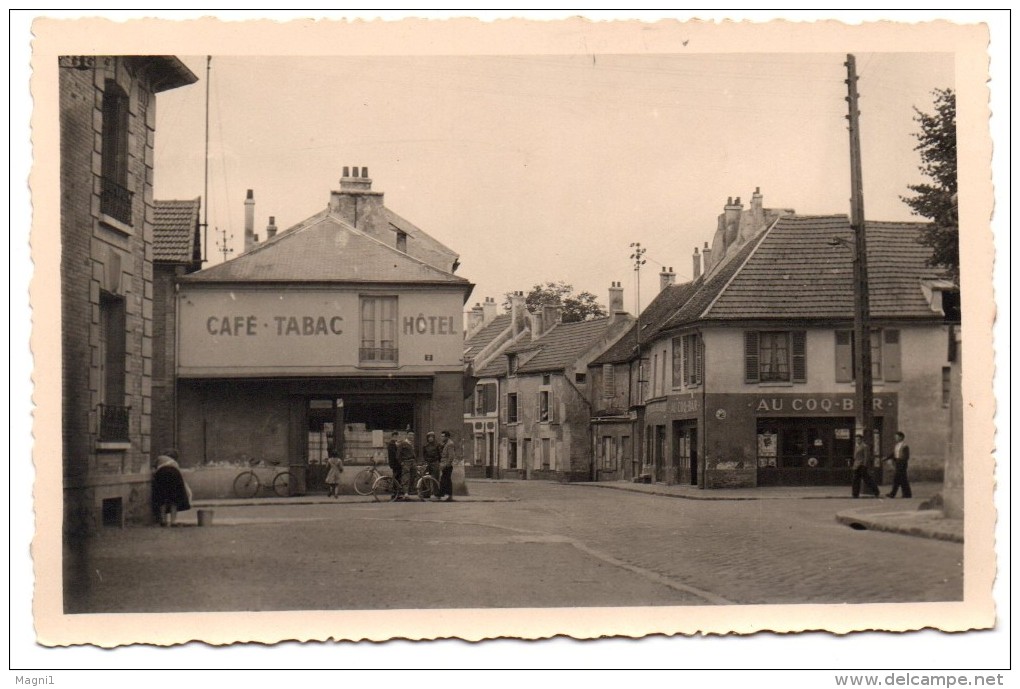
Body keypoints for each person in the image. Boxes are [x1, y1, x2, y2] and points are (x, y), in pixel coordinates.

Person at [153, 449, 192, 526]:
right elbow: (181, 477)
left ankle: (163, 521)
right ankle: (173, 522)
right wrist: (188, 492)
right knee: (173, 501)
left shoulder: (160, 458)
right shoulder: (175, 464)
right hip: (174, 475)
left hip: (162, 474)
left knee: (162, 500)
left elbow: (154, 469)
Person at [851, 433, 881, 499]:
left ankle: (876, 492)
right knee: (855, 480)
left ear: (861, 439)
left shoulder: (864, 446)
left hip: (862, 465)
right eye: (856, 439)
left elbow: (866, 456)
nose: (857, 440)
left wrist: (864, 465)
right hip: (856, 465)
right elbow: (855, 457)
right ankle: (855, 494)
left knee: (867, 479)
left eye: (858, 439)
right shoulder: (856, 446)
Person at [885, 431, 913, 498]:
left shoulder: (905, 446)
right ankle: (907, 494)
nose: (895, 438)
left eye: (897, 436)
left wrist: (902, 464)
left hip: (902, 463)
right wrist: (886, 458)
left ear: (901, 437)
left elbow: (906, 456)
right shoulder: (897, 445)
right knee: (903, 479)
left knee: (896, 479)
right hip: (897, 463)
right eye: (895, 436)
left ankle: (893, 494)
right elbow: (893, 454)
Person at [397, 431, 417, 498]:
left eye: (412, 435)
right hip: (406, 462)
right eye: (410, 435)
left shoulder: (412, 444)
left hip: (412, 462)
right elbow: (398, 454)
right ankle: (405, 493)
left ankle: (410, 491)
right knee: (406, 477)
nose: (411, 436)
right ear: (407, 435)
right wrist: (401, 462)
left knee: (413, 476)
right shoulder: (403, 443)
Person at [437, 430, 455, 502]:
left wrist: (447, 465)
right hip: (445, 465)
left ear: (447, 437)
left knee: (445, 480)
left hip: (447, 466)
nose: (441, 437)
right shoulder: (445, 443)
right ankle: (448, 495)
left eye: (443, 436)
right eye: (441, 436)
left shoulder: (450, 444)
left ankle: (443, 495)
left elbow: (451, 456)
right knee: (446, 480)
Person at [422, 431, 442, 498]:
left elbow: (440, 455)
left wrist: (437, 461)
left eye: (432, 437)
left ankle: (436, 493)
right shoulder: (425, 446)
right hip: (428, 463)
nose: (430, 438)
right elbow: (424, 455)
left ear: (434, 438)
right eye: (429, 437)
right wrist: (426, 461)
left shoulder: (437, 445)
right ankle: (426, 493)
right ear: (427, 438)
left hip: (435, 462)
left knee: (435, 478)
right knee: (426, 478)